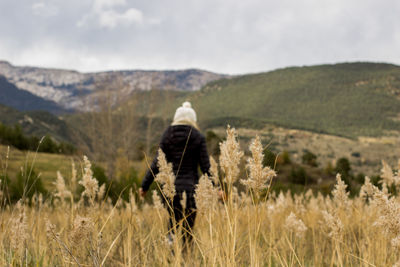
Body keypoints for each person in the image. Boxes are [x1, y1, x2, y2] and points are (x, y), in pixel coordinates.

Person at [139, 101, 211, 248]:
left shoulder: (168, 134)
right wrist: (219, 187)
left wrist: (145, 185)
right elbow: (206, 166)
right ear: (193, 119)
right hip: (192, 189)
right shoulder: (198, 136)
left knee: (172, 224)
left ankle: (172, 256)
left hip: (171, 189)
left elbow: (158, 163)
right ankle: (185, 257)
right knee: (188, 230)